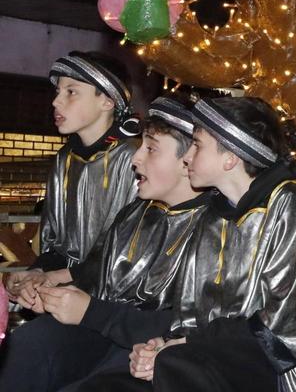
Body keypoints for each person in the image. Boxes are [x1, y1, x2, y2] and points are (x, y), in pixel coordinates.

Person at [77, 96, 296, 392]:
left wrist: (184, 347)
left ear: (230, 157)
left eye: (197, 145)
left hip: (280, 367)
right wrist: (164, 343)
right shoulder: (213, 215)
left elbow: (290, 325)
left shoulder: (290, 206)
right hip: (209, 354)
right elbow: (193, 314)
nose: (187, 157)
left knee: (175, 366)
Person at [0, 97, 210, 392]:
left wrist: (90, 312)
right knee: (29, 345)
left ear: (190, 159)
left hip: (153, 351)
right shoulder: (135, 214)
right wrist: (50, 293)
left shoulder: (216, 227)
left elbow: (197, 328)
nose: (135, 159)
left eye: (150, 149)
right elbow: (99, 277)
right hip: (105, 336)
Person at [4, 52, 139, 303]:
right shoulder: (64, 158)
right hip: (65, 290)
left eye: (71, 92)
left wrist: (55, 278)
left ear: (108, 101)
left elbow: (127, 254)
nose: (56, 101)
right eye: (57, 92)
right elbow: (53, 239)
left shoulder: (134, 159)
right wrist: (35, 273)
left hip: (113, 303)